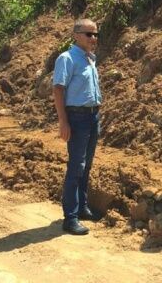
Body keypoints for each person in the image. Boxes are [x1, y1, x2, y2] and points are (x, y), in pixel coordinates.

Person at [53, 18, 103, 235]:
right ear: (76, 35)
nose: (93, 38)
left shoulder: (90, 59)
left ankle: (82, 207)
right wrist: (63, 121)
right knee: (76, 166)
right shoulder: (67, 58)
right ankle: (70, 217)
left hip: (92, 117)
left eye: (96, 34)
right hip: (77, 117)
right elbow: (58, 90)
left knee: (86, 165)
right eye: (89, 34)